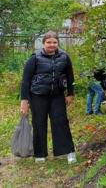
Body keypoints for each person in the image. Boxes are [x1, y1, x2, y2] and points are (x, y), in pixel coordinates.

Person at [20, 31, 77, 164]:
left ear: (58, 43)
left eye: (54, 42)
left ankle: (68, 151)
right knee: (39, 123)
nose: (52, 45)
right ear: (43, 43)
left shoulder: (64, 57)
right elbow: (25, 81)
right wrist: (24, 101)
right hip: (37, 96)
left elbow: (70, 76)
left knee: (61, 122)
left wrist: (70, 93)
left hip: (57, 96)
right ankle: (40, 153)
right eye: (49, 42)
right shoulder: (35, 57)